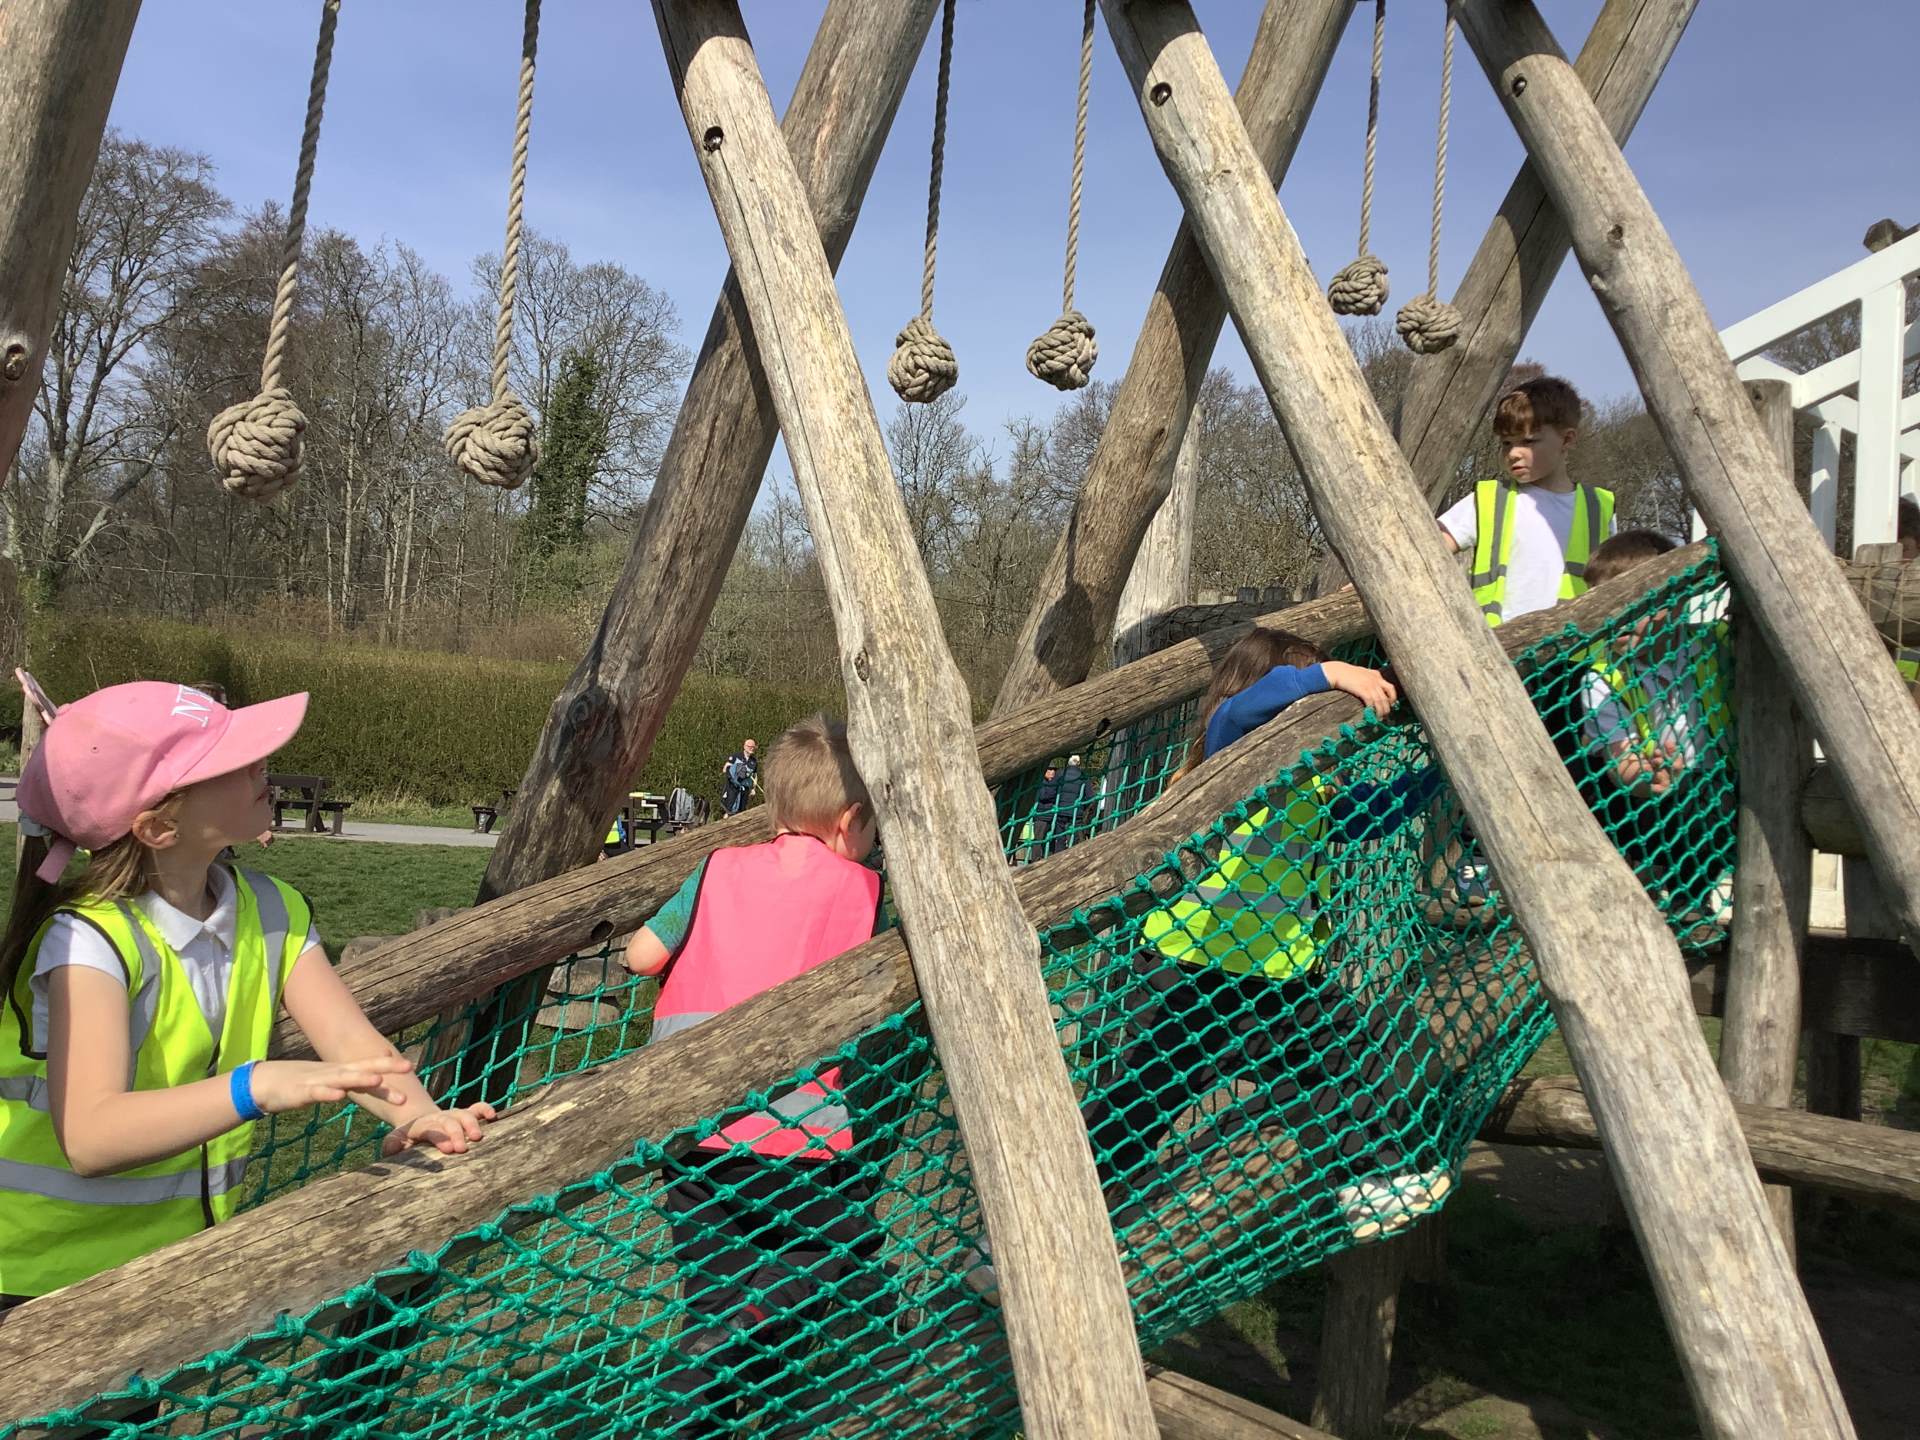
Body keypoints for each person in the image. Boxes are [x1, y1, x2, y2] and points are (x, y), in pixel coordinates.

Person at [0, 681, 496, 1310]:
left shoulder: (271, 908)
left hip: (170, 1267)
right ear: (158, 826)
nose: (262, 765)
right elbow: (91, 1137)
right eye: (230, 762)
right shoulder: (87, 942)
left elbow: (352, 1044)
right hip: (33, 1280)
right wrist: (252, 1086)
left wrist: (421, 1118)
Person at [1080, 630, 1450, 1241]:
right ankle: (1053, 1220)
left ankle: (1373, 1182)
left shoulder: (1310, 787)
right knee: (1138, 1106)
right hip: (1188, 969)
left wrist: (1438, 770)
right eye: (1303, 696)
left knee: (1348, 1060)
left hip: (1276, 978)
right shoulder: (1227, 750)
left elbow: (1375, 812)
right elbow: (1244, 709)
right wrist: (1330, 673)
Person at [623, 715, 909, 1432]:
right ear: (851, 821)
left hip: (689, 1130)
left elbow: (640, 957)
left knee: (709, 1293)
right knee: (835, 1239)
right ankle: (743, 1329)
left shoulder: (717, 867)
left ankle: (702, 1403)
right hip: (795, 1132)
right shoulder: (863, 891)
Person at [1570, 530, 1730, 923]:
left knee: (1706, 791)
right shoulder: (1602, 677)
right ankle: (1650, 881)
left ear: (1672, 601)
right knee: (1591, 779)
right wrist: (1646, 775)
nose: (1613, 618)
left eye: (1628, 603)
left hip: (1726, 792)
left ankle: (1687, 893)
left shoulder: (1719, 644)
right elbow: (1619, 759)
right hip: (1655, 805)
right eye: (1601, 606)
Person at [1438, 376, 1616, 628]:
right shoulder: (1490, 499)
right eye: (1506, 443)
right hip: (1495, 642)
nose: (1513, 453)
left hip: (1571, 648)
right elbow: (1428, 547)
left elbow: (1613, 581)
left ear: (1567, 440)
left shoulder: (1599, 508)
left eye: (1528, 441)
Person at [719, 738, 759, 816]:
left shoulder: (754, 761)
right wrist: (737, 769)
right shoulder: (736, 756)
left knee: (741, 812)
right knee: (729, 811)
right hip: (733, 789)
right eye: (750, 746)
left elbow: (754, 775)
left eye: (753, 747)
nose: (752, 748)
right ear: (744, 746)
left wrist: (753, 789)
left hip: (745, 790)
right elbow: (725, 769)